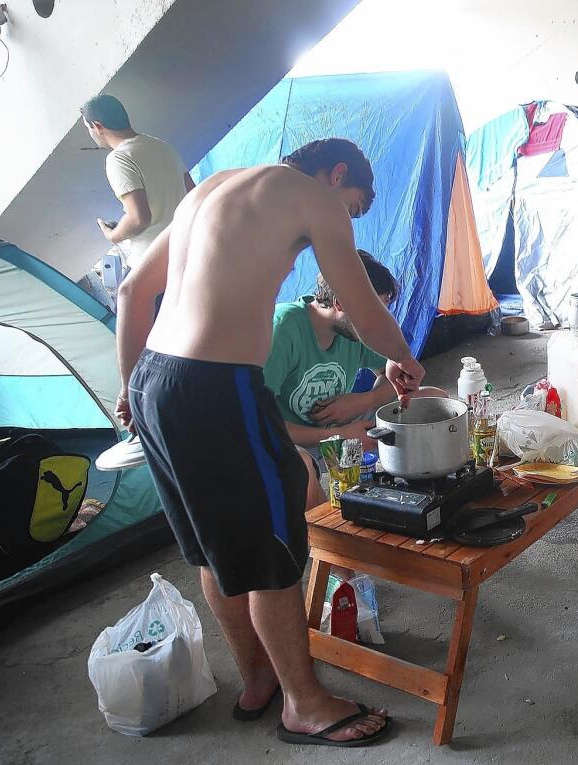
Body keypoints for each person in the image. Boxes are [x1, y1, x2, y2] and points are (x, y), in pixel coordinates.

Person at [117, 137, 424, 747]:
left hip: (156, 378)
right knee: (276, 549)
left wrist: (130, 389)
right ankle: (304, 704)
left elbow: (132, 293)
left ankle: (259, 680)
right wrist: (403, 360)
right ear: (337, 174)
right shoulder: (311, 197)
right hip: (217, 386)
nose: (348, 223)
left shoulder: (207, 189)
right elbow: (361, 308)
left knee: (215, 548)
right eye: (355, 207)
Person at [263, 248, 447, 510]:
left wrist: (363, 401)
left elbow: (389, 374)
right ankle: (331, 543)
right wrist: (341, 435)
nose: (380, 322)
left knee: (434, 400)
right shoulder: (284, 329)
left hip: (347, 425)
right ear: (340, 303)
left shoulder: (358, 329)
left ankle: (427, 493)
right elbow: (261, 422)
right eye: (375, 311)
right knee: (299, 466)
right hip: (297, 438)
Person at [81, 94, 194, 268]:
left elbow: (139, 219)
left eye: (87, 127)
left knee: (127, 294)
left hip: (153, 260)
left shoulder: (118, 159)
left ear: (97, 126)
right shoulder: (162, 146)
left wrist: (113, 235)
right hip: (186, 248)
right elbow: (192, 193)